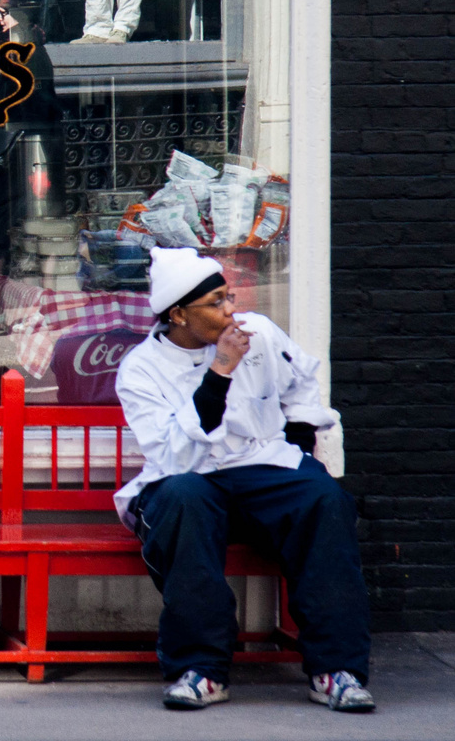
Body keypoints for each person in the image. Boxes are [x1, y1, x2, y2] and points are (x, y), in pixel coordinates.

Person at [115, 247, 374, 712]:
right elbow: (173, 454)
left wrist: (297, 438)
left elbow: (302, 383)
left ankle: (336, 669)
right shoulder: (140, 369)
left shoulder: (260, 334)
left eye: (228, 296)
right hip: (189, 474)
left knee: (324, 499)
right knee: (182, 501)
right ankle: (201, 670)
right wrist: (220, 372)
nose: (230, 310)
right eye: (215, 303)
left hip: (263, 463)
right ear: (178, 314)